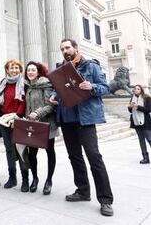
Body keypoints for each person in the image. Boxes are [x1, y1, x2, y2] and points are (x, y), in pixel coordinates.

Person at [49, 38, 114, 216]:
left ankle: (106, 200)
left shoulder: (91, 66)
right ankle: (83, 191)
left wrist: (92, 86)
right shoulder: (60, 70)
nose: (65, 51)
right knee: (75, 157)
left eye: (68, 47)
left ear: (75, 48)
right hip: (67, 118)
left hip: (85, 119)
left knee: (94, 158)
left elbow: (105, 87)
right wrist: (54, 96)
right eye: (62, 48)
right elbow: (57, 89)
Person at [0, 59, 27, 191]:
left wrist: (16, 116)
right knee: (9, 150)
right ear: (7, 70)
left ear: (20, 69)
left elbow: (23, 102)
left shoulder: (23, 83)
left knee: (21, 150)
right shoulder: (3, 83)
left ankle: (25, 180)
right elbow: (0, 101)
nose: (14, 70)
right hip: (4, 120)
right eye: (12, 68)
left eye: (17, 67)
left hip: (18, 120)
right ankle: (12, 178)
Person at [23, 61, 58, 195]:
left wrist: (38, 113)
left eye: (33, 70)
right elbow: (27, 106)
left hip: (47, 124)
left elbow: (50, 105)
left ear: (38, 72)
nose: (30, 72)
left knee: (50, 152)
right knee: (32, 153)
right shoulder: (28, 87)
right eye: (28, 70)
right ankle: (35, 179)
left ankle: (49, 180)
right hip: (33, 125)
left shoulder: (46, 85)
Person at [128, 84, 151, 164]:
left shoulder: (146, 97)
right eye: (135, 89)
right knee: (141, 140)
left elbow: (149, 109)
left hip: (146, 122)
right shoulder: (132, 98)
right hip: (136, 122)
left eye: (138, 89)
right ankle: (145, 158)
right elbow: (130, 111)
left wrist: (138, 107)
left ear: (141, 90)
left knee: (149, 139)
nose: (136, 90)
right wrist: (130, 107)